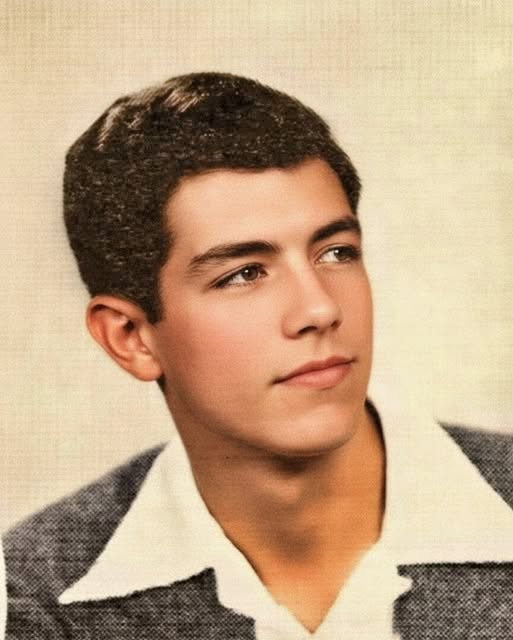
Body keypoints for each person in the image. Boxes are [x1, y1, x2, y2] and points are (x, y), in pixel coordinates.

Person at [4, 72, 513, 639]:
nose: (319, 308)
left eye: (336, 252)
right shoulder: (31, 601)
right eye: (244, 273)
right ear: (131, 337)